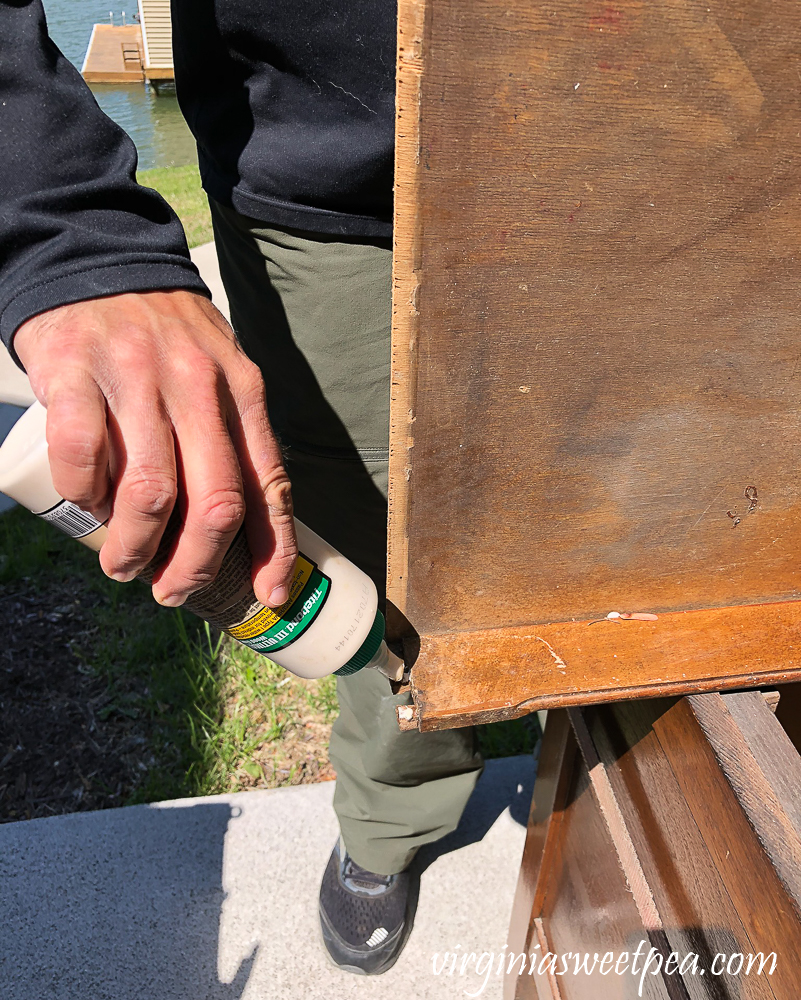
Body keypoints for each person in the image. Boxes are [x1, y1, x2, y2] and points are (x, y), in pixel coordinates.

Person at [0, 0, 484, 975]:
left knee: (670, 566)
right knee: (383, 589)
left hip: (704, 162)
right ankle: (390, 821)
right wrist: (66, 231)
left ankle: (648, 785)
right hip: (337, 186)